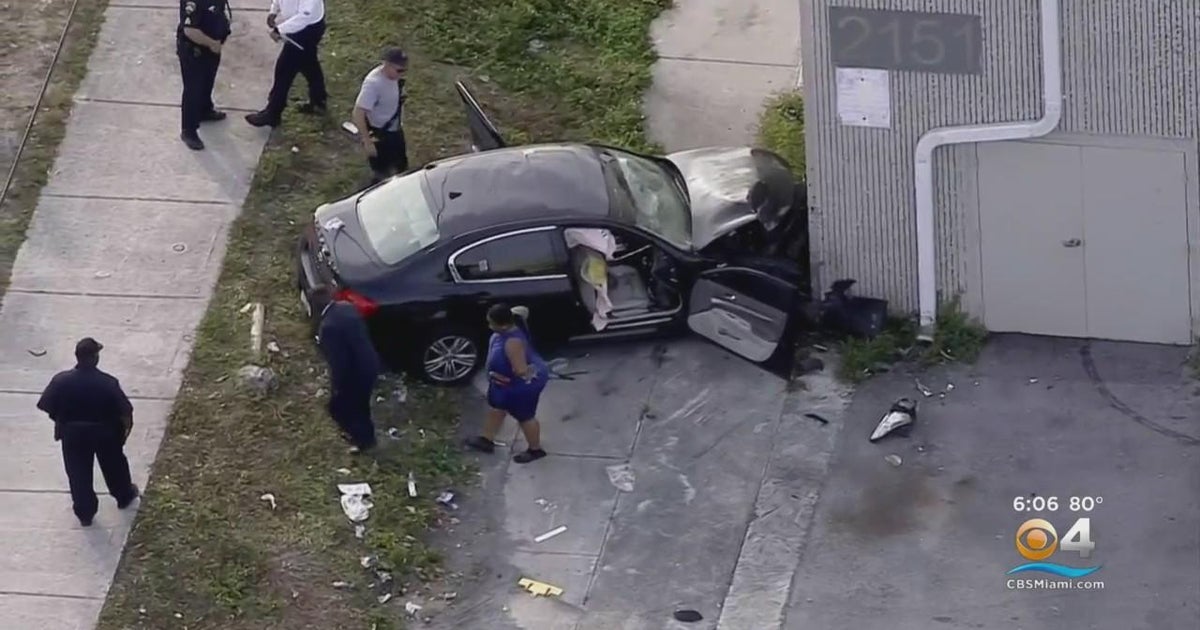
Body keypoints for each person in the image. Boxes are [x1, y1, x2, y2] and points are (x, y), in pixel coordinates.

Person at [35, 338, 139, 526]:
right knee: (114, 466)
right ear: (95, 358)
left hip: (73, 434)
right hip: (105, 433)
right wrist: (124, 433)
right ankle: (124, 496)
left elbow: (46, 405)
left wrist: (62, 420)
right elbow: (126, 411)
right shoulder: (108, 383)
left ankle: (85, 513)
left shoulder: (61, 381)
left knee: (78, 473)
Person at [466, 304, 550, 464]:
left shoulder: (513, 343)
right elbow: (522, 310)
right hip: (503, 385)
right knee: (497, 408)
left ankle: (535, 449)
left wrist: (501, 376)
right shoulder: (512, 323)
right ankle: (486, 440)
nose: (489, 325)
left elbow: (521, 370)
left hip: (521, 387)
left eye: (491, 322)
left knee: (525, 417)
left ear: (503, 324)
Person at [314, 287, 383, 451]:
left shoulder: (328, 327)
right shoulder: (346, 307)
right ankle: (365, 437)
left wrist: (337, 387)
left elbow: (339, 363)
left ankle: (362, 442)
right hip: (370, 363)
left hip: (355, 374)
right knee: (361, 406)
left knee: (346, 409)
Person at [245, 0, 327, 127]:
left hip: (307, 29)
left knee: (284, 70)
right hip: (297, 26)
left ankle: (273, 113)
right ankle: (319, 98)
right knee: (309, 63)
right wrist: (274, 11)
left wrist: (279, 29)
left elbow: (305, 15)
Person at [177, 0, 232, 150]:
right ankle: (189, 131)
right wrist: (212, 44)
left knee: (208, 80)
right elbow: (190, 30)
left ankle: (205, 110)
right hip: (194, 50)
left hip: (212, 47)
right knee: (193, 89)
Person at [353, 47, 409, 183]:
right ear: (387, 65)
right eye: (399, 70)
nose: (401, 74)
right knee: (382, 175)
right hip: (381, 136)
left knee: (402, 167)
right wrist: (367, 141)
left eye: (404, 70)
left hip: (395, 130)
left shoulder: (393, 76)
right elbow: (358, 112)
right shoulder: (373, 84)